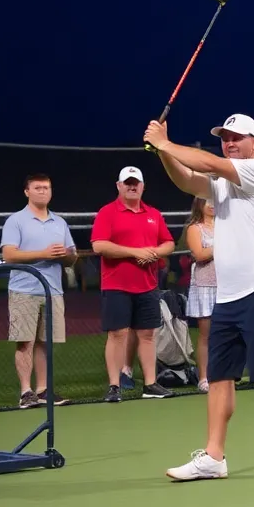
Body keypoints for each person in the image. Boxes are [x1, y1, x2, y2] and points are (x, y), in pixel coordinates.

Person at [147, 113, 254, 481]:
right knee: (220, 375)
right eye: (225, 138)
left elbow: (206, 163)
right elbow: (187, 179)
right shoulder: (222, 184)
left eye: (237, 137)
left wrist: (165, 142)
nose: (229, 143)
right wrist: (163, 152)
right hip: (228, 295)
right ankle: (214, 456)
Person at [91, 166, 176, 402]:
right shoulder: (107, 212)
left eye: (135, 183)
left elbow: (168, 243)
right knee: (117, 334)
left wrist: (153, 253)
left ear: (142, 186)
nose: (131, 186)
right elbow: (99, 245)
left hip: (147, 285)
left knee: (147, 334)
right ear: (119, 186)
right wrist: (135, 252)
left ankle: (150, 384)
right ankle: (114, 386)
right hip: (116, 285)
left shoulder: (153, 214)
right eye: (127, 183)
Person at [1, 173, 78, 408]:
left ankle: (43, 390)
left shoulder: (59, 222)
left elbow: (72, 257)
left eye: (46, 187)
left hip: (53, 290)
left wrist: (66, 255)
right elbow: (9, 255)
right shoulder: (16, 220)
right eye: (38, 188)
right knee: (25, 341)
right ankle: (26, 392)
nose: (43, 191)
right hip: (24, 290)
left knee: (45, 342)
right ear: (27, 192)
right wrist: (44, 254)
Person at [183, 197, 216, 393]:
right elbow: (200, 254)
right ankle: (203, 378)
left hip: (228, 286)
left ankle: (224, 374)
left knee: (229, 333)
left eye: (214, 201)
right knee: (206, 335)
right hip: (205, 286)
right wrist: (222, 244)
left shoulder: (226, 225)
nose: (212, 205)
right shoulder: (195, 228)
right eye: (207, 202)